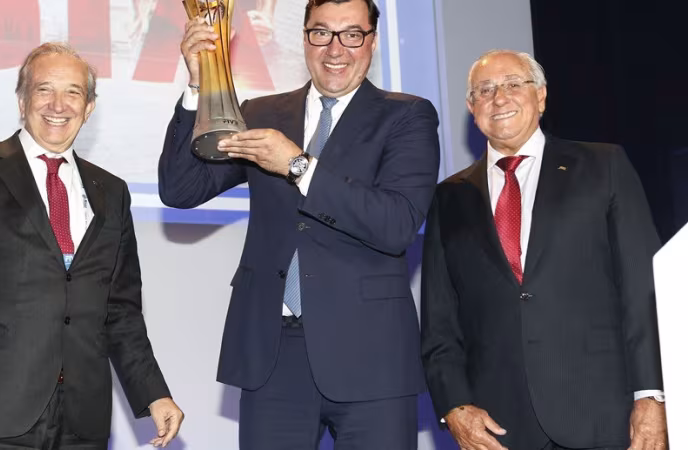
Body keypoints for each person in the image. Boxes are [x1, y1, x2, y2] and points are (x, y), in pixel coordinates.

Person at [159, 0, 439, 448]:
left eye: (352, 34)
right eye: (321, 33)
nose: (335, 49)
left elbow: (397, 224)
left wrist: (298, 166)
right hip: (273, 353)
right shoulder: (261, 112)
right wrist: (197, 85)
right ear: (305, 37)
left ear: (372, 41)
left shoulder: (406, 116)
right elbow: (181, 189)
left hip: (370, 353)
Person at [0, 42, 184, 450]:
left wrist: (154, 393)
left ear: (89, 107)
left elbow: (120, 310)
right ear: (22, 100)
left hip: (81, 421)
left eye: (73, 92)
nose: (58, 105)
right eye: (44, 89)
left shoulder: (112, 191)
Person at [420, 49, 668, 450]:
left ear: (541, 96)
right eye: (485, 90)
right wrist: (454, 406)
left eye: (513, 84)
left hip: (605, 416)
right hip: (499, 428)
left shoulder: (603, 166)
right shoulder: (448, 197)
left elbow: (643, 291)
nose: (499, 98)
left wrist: (652, 396)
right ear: (471, 107)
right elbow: (439, 320)